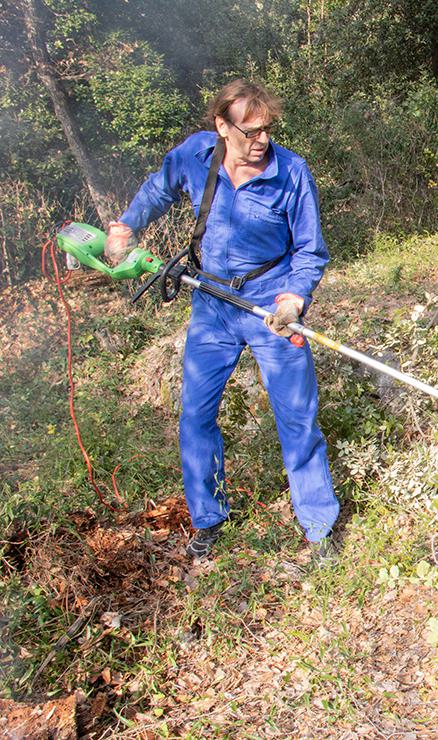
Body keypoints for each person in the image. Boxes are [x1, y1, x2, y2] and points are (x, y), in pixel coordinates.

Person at [106, 79, 339, 564]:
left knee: (297, 417)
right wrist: (127, 224)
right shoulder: (196, 155)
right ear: (221, 126)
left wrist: (294, 300)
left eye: (268, 130)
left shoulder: (291, 172)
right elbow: (158, 187)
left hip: (270, 302)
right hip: (210, 301)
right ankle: (209, 519)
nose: (262, 141)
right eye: (251, 132)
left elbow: (310, 250)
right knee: (195, 415)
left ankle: (319, 526)